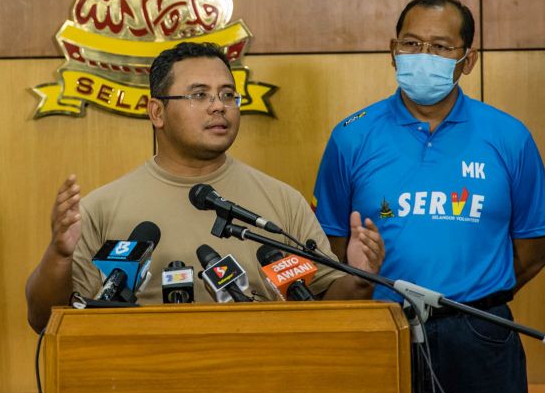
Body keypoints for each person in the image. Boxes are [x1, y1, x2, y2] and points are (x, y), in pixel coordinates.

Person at [312, 0, 545, 393]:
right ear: (392, 50)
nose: (424, 57)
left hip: (479, 331)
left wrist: (470, 302)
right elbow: (330, 243)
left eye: (441, 47)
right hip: (382, 329)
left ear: (468, 60)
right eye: (411, 43)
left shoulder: (508, 136)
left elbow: (532, 250)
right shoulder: (351, 136)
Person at [26, 41, 384, 333]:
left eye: (228, 95)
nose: (219, 106)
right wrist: (59, 255)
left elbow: (329, 305)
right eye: (199, 95)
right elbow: (44, 319)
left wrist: (361, 278)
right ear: (157, 112)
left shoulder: (282, 202)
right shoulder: (103, 207)